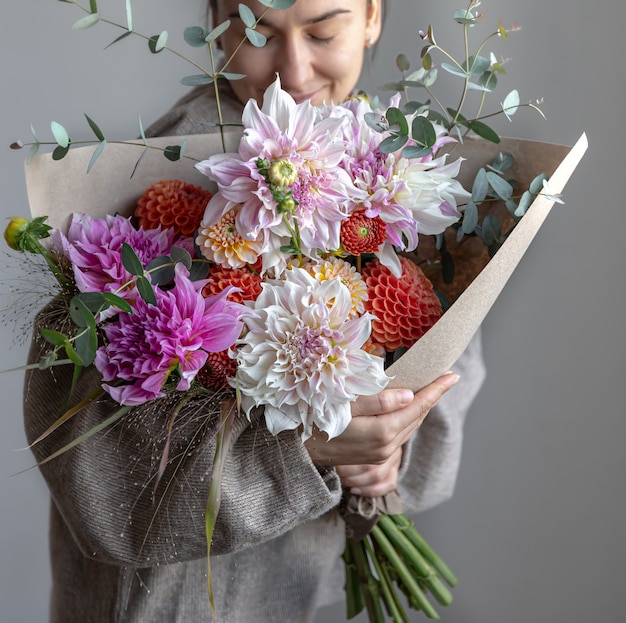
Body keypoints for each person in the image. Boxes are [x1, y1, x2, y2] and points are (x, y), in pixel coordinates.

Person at [23, 1, 486, 622]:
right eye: (259, 31)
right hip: (169, 599)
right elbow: (91, 466)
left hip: (298, 584)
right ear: (215, 16)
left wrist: (390, 447)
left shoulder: (395, 170)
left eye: (324, 30)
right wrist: (304, 452)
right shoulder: (144, 186)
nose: (292, 71)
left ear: (373, 15)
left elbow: (441, 346)